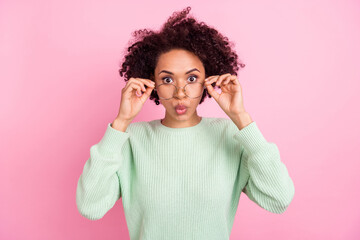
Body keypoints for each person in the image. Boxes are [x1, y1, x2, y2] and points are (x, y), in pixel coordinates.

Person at [76, 6, 295, 240]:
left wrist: (241, 118)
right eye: (167, 79)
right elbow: (90, 207)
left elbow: (279, 199)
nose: (180, 92)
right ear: (152, 83)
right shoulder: (131, 140)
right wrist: (120, 123)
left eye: (192, 78)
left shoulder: (231, 135)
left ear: (207, 80)